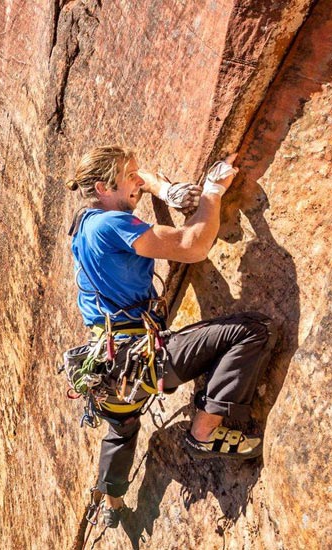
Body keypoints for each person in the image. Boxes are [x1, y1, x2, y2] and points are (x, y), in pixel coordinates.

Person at [66, 145, 275, 527]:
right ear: (102, 187)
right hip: (142, 357)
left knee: (121, 429)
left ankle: (112, 501)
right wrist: (211, 192)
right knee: (252, 332)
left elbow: (141, 178)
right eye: (127, 178)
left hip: (109, 365)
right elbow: (189, 246)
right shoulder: (113, 225)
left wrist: (165, 190)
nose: (136, 181)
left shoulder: (85, 222)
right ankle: (204, 432)